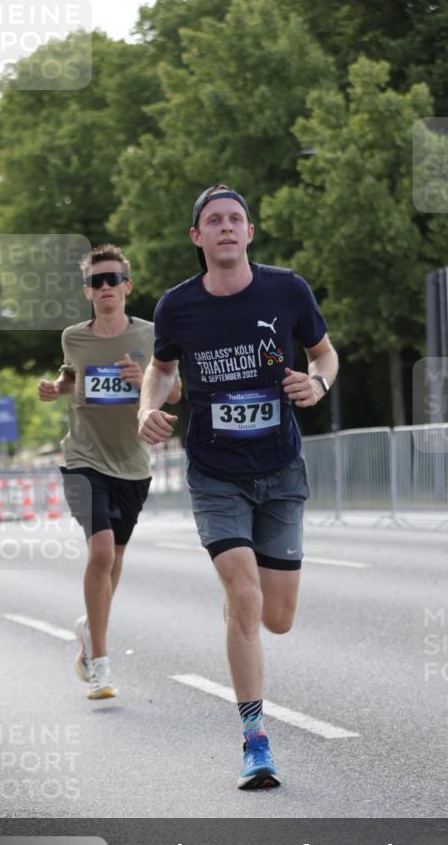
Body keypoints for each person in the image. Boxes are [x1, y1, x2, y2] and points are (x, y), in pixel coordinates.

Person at [138, 185, 338, 788]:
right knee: (245, 597)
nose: (226, 227)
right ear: (197, 238)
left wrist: (318, 386)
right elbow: (162, 368)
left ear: (250, 232)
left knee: (276, 617)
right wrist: (145, 408)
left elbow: (325, 355)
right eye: (213, 221)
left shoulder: (287, 290)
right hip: (216, 473)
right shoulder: (177, 306)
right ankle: (256, 739)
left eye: (236, 219)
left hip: (280, 471)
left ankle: (240, 601)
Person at [38, 244, 181, 699]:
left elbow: (175, 392)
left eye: (112, 279)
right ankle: (99, 663)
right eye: (97, 281)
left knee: (113, 560)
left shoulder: (152, 334)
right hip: (83, 457)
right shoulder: (73, 337)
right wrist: (55, 387)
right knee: (100, 553)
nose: (105, 287)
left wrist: (145, 384)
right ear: (87, 290)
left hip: (133, 463)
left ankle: (89, 631)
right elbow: (71, 374)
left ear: (127, 286)